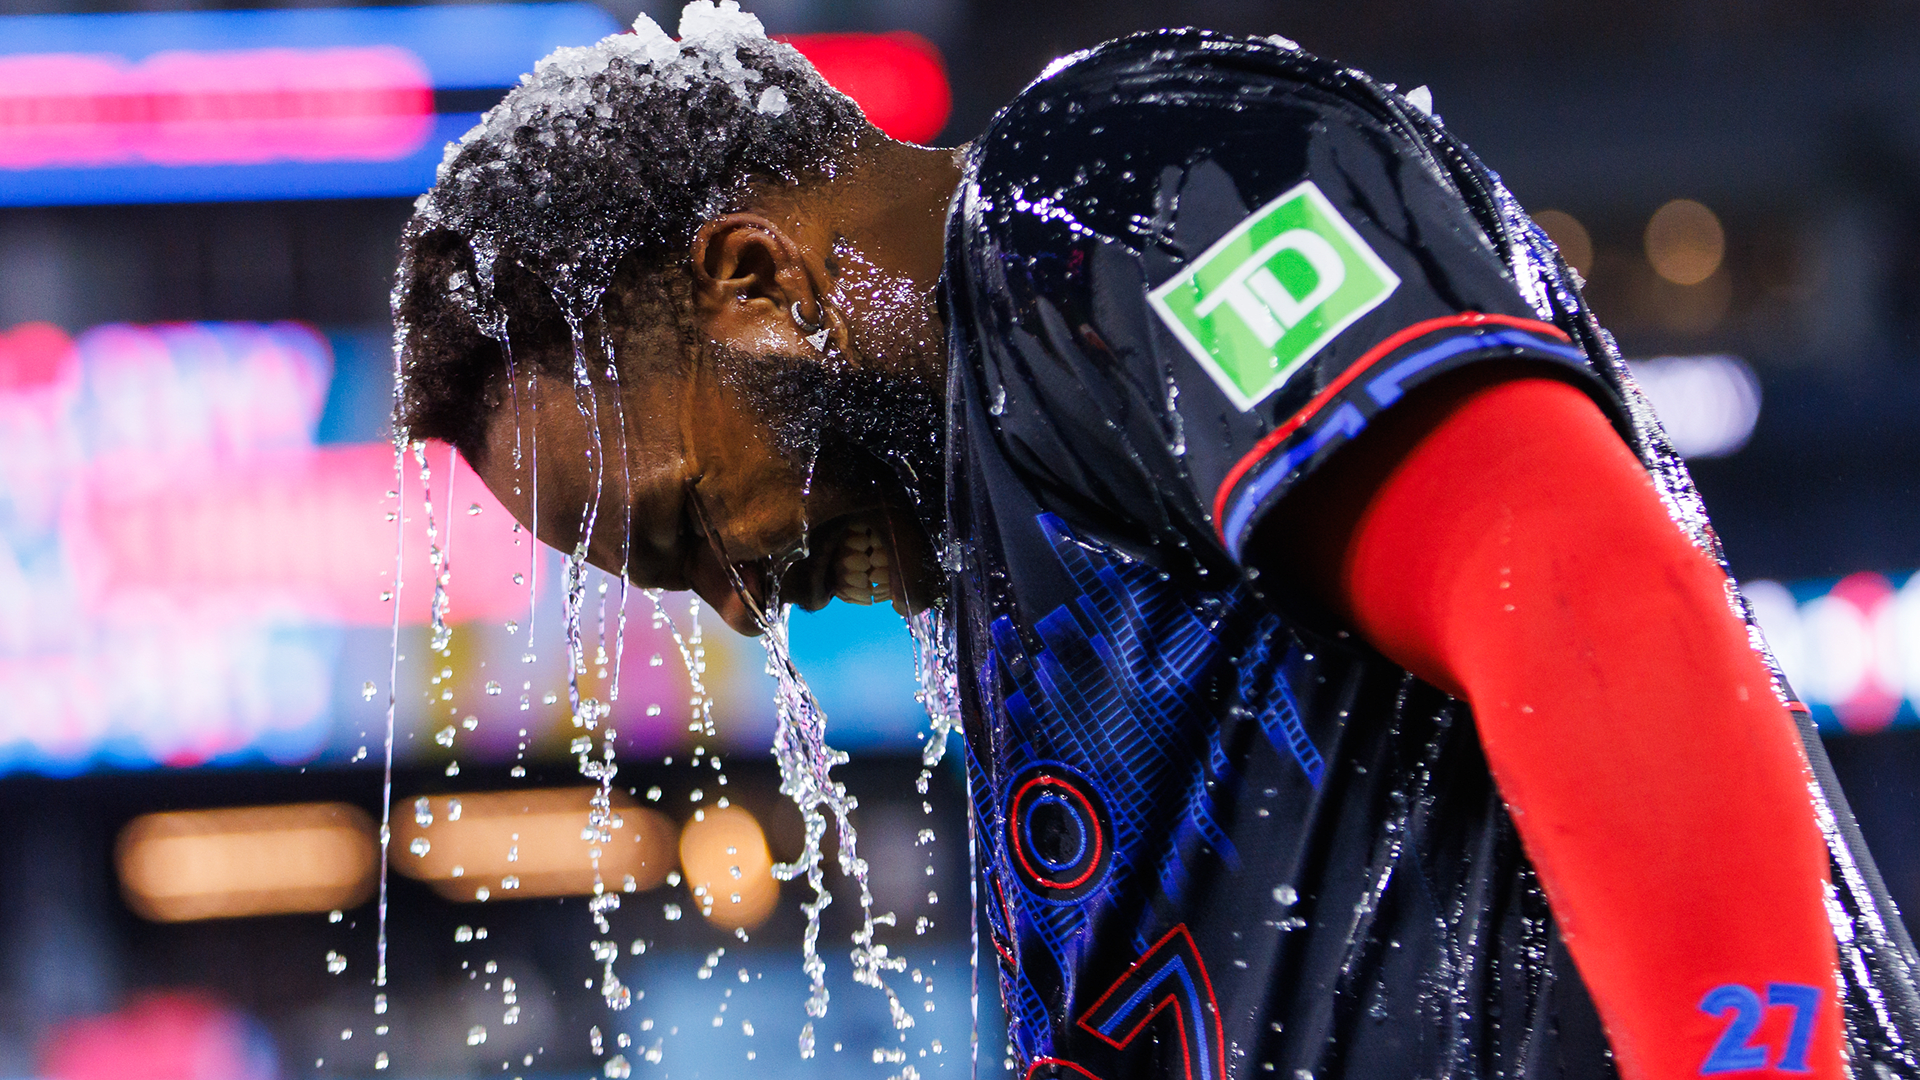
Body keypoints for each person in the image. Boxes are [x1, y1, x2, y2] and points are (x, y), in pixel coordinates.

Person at [392, 4, 1920, 1078]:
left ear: (758, 279)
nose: (737, 607)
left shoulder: (1096, 184)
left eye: (685, 528)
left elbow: (1571, 583)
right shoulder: (1015, 539)